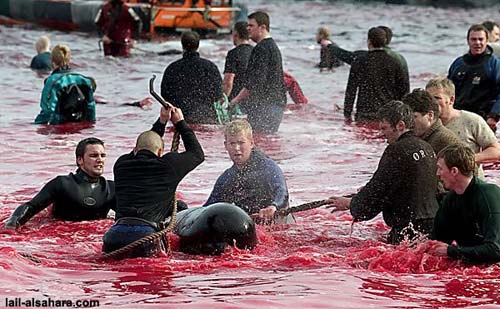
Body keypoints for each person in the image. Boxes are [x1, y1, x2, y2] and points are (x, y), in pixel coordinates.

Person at [325, 101, 439, 244]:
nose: (382, 134)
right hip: (434, 224)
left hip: (408, 229)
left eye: (384, 128)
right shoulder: (426, 147)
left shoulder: (396, 151)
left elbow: (377, 190)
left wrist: (352, 203)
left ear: (400, 126)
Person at [102, 105, 204, 258]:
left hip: (114, 236)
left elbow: (147, 142)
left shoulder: (121, 164)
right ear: (160, 152)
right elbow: (197, 154)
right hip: (146, 236)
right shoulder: (169, 165)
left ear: (135, 150)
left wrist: (161, 121)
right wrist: (181, 123)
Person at [4, 138, 115, 229]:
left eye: (103, 156)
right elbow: (31, 207)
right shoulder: (62, 184)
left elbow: (128, 216)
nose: (100, 160)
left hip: (90, 241)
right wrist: (12, 224)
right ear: (80, 160)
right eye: (94, 156)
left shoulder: (111, 189)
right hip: (58, 235)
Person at [203, 119, 293, 223]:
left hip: (281, 224)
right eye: (232, 143)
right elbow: (209, 208)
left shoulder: (268, 167)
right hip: (251, 225)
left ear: (251, 143)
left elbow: (282, 193)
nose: (236, 148)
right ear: (226, 145)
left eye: (241, 143)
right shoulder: (228, 177)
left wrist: (274, 206)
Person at [428, 144, 500, 263]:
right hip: (473, 265)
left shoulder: (488, 196)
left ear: (454, 171)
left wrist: (452, 252)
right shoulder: (450, 200)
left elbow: (496, 250)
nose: (437, 174)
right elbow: (437, 241)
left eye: (440, 168)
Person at [426, 76, 500, 178]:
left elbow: (496, 151)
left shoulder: (472, 121)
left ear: (451, 100)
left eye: (437, 98)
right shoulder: (424, 124)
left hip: (470, 183)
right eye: (428, 98)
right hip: (440, 185)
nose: (432, 103)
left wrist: (467, 159)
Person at [229, 11, 287, 134]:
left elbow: (255, 82)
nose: (248, 29)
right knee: (268, 143)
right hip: (275, 104)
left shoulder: (261, 48)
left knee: (258, 141)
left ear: (262, 27)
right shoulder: (272, 46)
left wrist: (236, 100)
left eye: (251, 26)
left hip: (265, 106)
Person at [344, 27, 409, 122]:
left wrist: (347, 114)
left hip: (364, 115)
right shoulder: (396, 61)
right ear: (385, 41)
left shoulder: (359, 61)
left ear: (369, 42)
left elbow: (351, 90)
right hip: (388, 115)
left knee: (364, 136)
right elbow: (404, 90)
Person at [161, 31, 223, 124]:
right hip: (206, 116)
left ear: (182, 45)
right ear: (198, 45)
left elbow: (165, 94)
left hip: (179, 118)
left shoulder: (172, 68)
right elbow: (218, 94)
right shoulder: (210, 67)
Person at [448, 24, 500, 131]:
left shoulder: (494, 65)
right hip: (458, 117)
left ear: (487, 40)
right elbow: (447, 91)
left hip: (483, 121)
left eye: (481, 39)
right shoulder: (458, 63)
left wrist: (494, 116)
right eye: (473, 39)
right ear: (468, 41)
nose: (477, 43)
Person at [34, 44, 97, 125]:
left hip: (60, 127)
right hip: (81, 126)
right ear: (68, 60)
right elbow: (91, 108)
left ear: (52, 62)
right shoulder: (84, 81)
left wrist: (36, 126)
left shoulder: (52, 81)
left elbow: (47, 111)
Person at [320, 25, 408, 74]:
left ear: (370, 40)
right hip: (392, 105)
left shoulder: (363, 58)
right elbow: (404, 88)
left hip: (368, 105)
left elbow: (347, 56)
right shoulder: (400, 59)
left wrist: (330, 46)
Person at [402, 88, 462, 155]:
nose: (409, 122)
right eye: (407, 118)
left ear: (430, 115)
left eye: (414, 117)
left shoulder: (448, 142)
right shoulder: (415, 137)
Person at [223, 21, 253, 101]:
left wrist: (222, 101)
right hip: (252, 99)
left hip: (236, 99)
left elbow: (228, 82)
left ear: (236, 33)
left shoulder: (233, 54)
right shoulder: (256, 51)